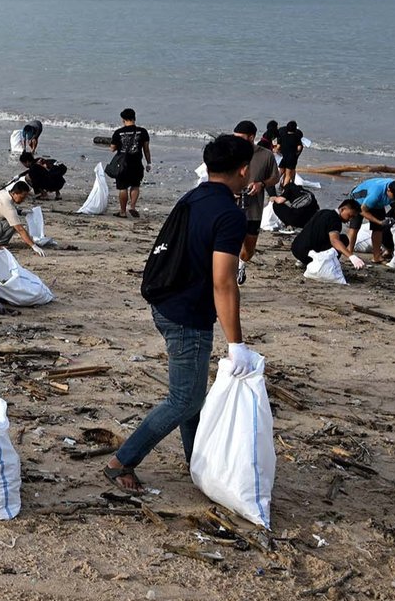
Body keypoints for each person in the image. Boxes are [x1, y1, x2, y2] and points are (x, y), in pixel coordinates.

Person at [104, 134, 259, 495]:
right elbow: (224, 282)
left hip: (165, 301)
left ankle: (196, 459)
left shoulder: (193, 196)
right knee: (184, 398)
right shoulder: (229, 214)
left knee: (192, 393)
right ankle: (121, 461)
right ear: (243, 169)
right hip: (187, 313)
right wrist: (236, 344)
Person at [235, 120, 280, 285]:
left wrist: (261, 184)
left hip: (253, 209)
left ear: (251, 137)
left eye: (240, 138)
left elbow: (276, 177)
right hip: (232, 207)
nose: (236, 141)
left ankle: (241, 264)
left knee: (249, 248)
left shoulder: (265, 155)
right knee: (229, 242)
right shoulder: (231, 152)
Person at [291, 199, 367, 270]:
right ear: (343, 209)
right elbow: (334, 241)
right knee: (343, 239)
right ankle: (328, 265)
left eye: (353, 218)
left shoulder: (323, 212)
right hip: (308, 254)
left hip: (296, 249)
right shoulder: (335, 220)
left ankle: (303, 261)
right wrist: (351, 256)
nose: (350, 219)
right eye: (350, 216)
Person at [346, 178, 395, 262]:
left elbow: (393, 201)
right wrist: (379, 222)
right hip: (358, 201)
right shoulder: (375, 195)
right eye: (394, 197)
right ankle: (349, 254)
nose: (394, 199)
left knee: (378, 229)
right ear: (388, 191)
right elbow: (362, 211)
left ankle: (376, 257)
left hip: (378, 204)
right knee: (355, 227)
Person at [0, 181, 46, 255]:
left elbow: (3, 209)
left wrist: (20, 211)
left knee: (12, 218)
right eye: (22, 197)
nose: (23, 200)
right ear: (14, 193)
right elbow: (20, 229)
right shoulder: (8, 208)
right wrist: (34, 246)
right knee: (13, 223)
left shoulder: (3, 193)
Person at [110, 108, 151, 218]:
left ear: (123, 119)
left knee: (123, 188)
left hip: (123, 164)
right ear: (134, 118)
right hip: (137, 163)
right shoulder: (142, 131)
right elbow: (146, 149)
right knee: (135, 185)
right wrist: (149, 163)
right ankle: (132, 207)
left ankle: (122, 212)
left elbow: (112, 148)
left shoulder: (118, 132)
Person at [276, 120, 304, 188]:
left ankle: (272, 185)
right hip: (291, 158)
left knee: (280, 172)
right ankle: (284, 190)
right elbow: (299, 148)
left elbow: (278, 147)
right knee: (288, 175)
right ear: (295, 129)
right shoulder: (296, 137)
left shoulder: (283, 136)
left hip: (284, 157)